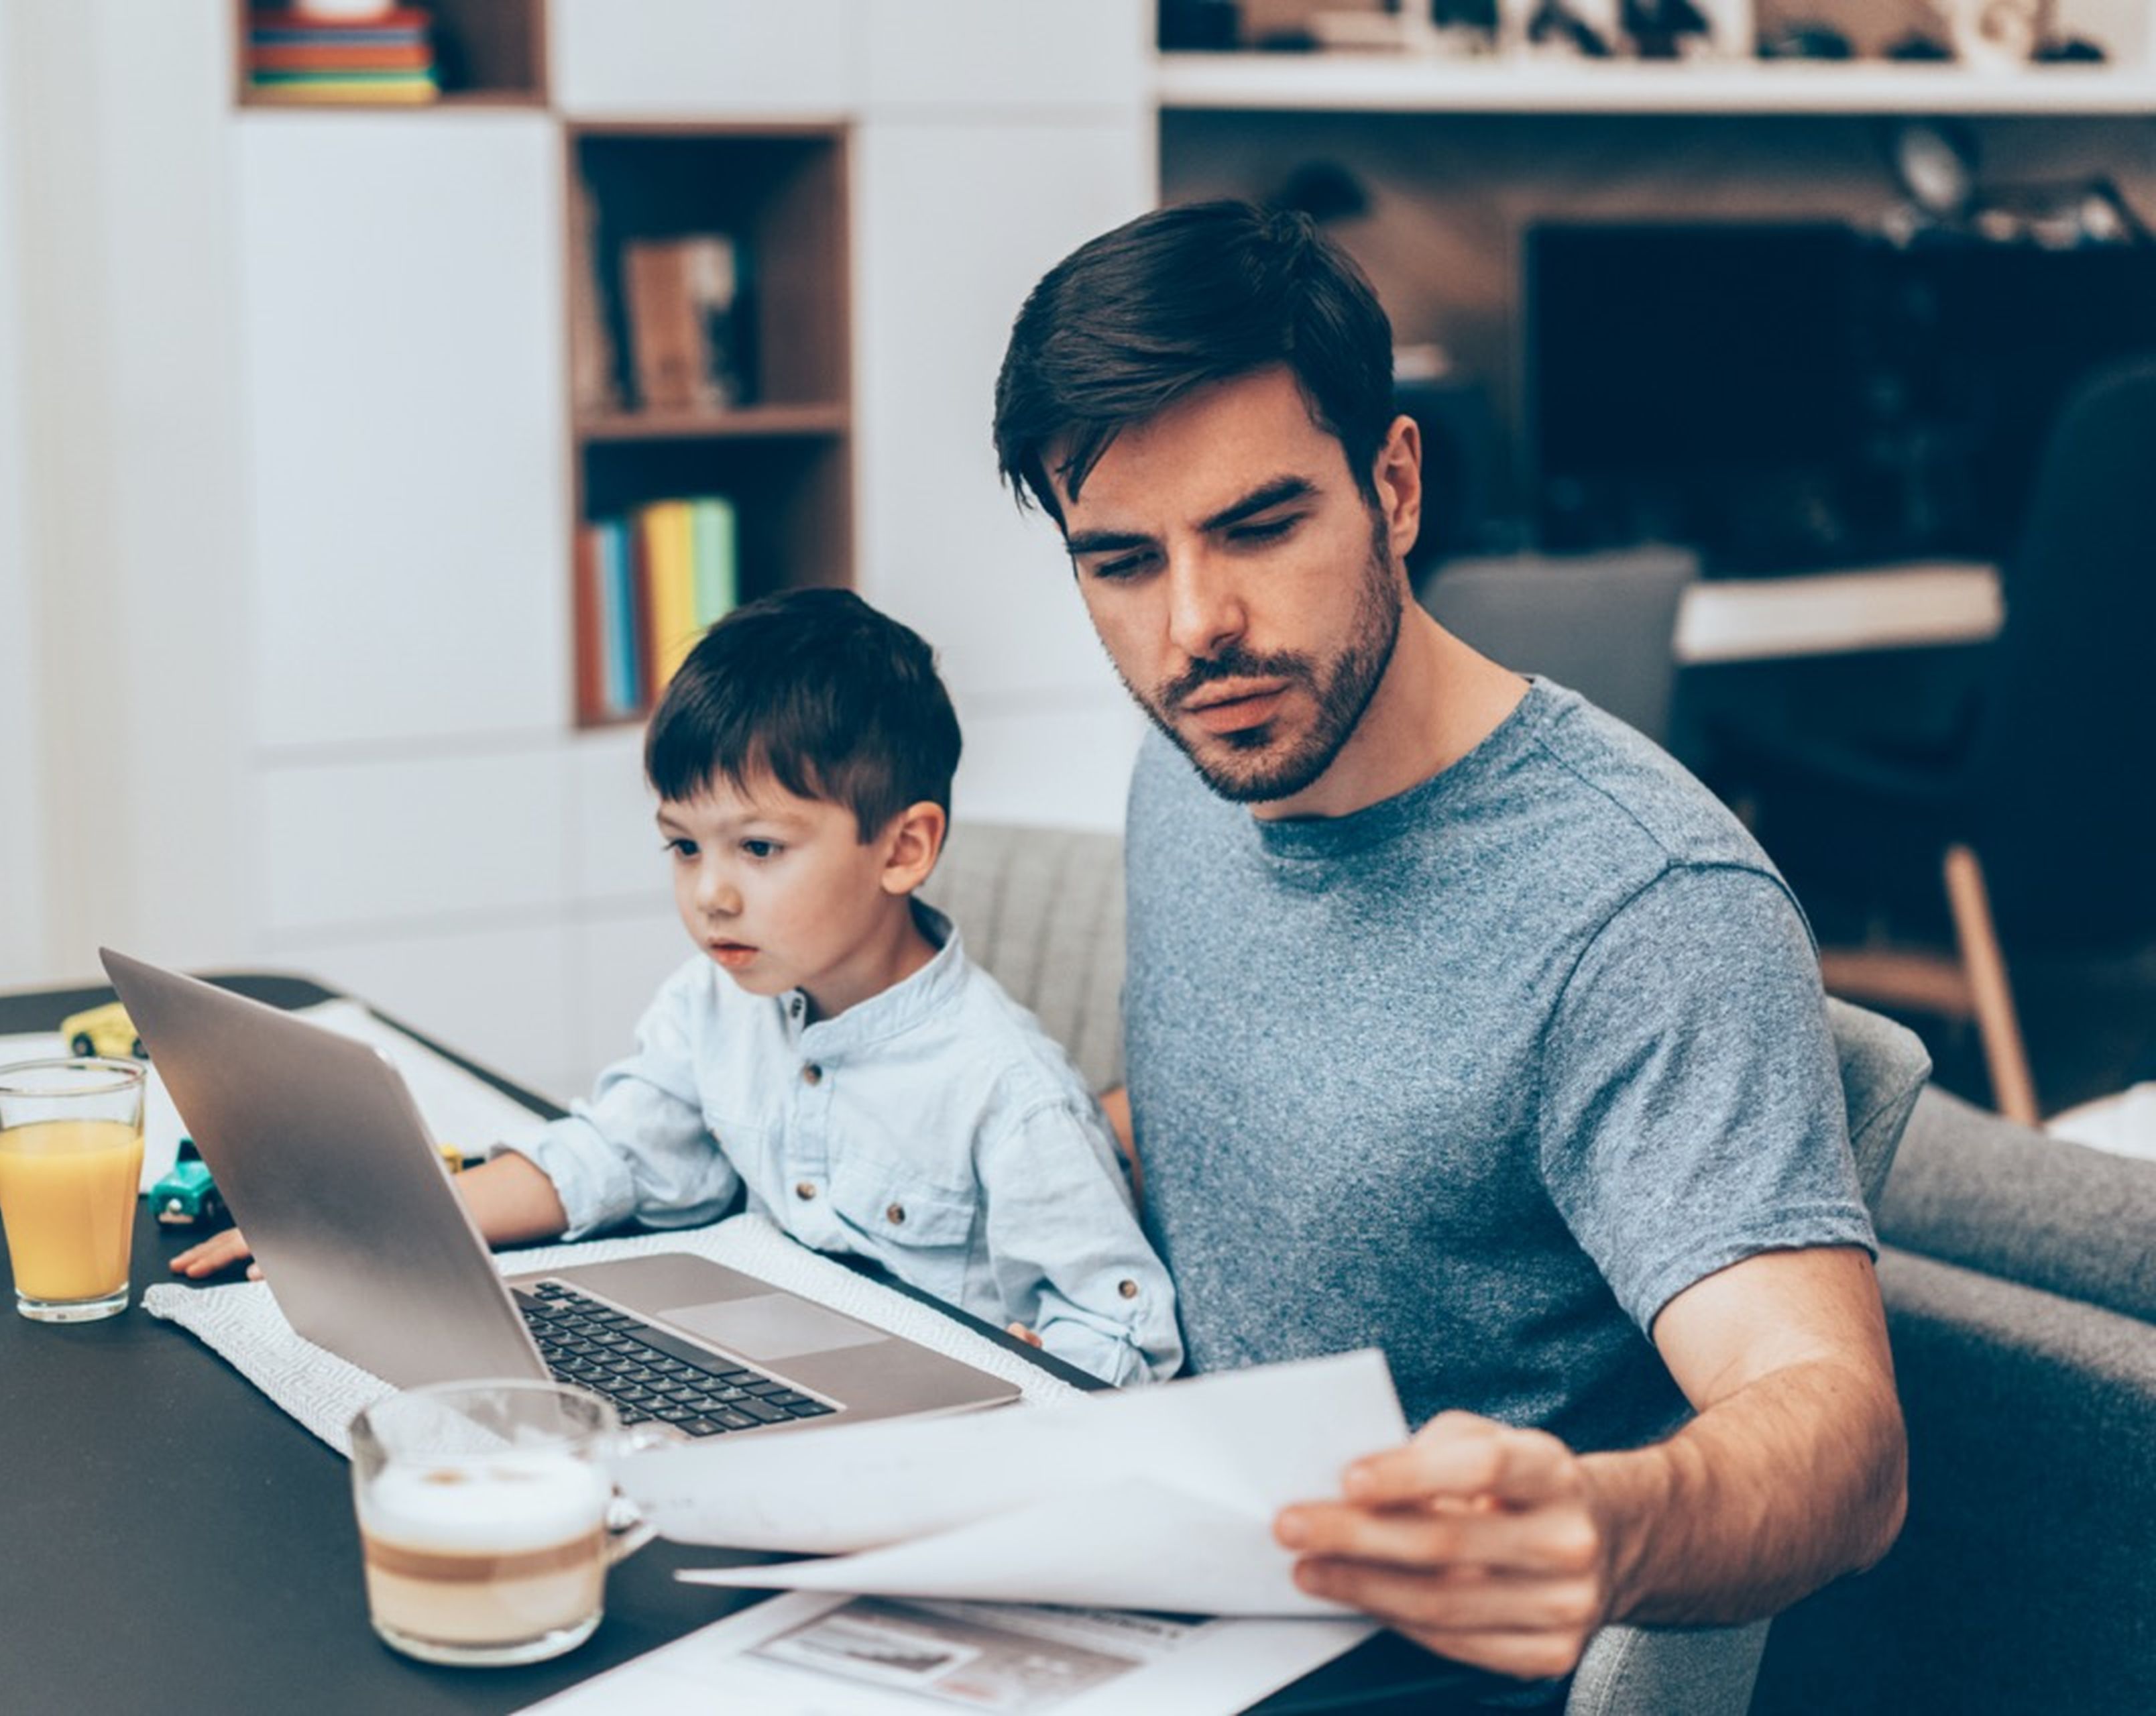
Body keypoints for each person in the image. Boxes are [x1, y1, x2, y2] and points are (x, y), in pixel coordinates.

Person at [990, 202, 1907, 1680]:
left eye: (1259, 525)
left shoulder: (1644, 903)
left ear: (1395, 486)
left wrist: (1609, 1522)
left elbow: (1842, 1431)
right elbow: (1239, 1124)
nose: (1192, 631)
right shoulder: (1203, 751)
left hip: (1397, 1658)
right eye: (1122, 562)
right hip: (1150, 1541)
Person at [178, 587, 1182, 1388]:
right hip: (758, 1361)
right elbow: (616, 1154)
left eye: (758, 847)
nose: (711, 895)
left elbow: (1123, 1337)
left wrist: (1022, 1384)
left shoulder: (1009, 1096)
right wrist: (378, 1231)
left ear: (905, 848)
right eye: (682, 846)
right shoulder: (717, 1005)